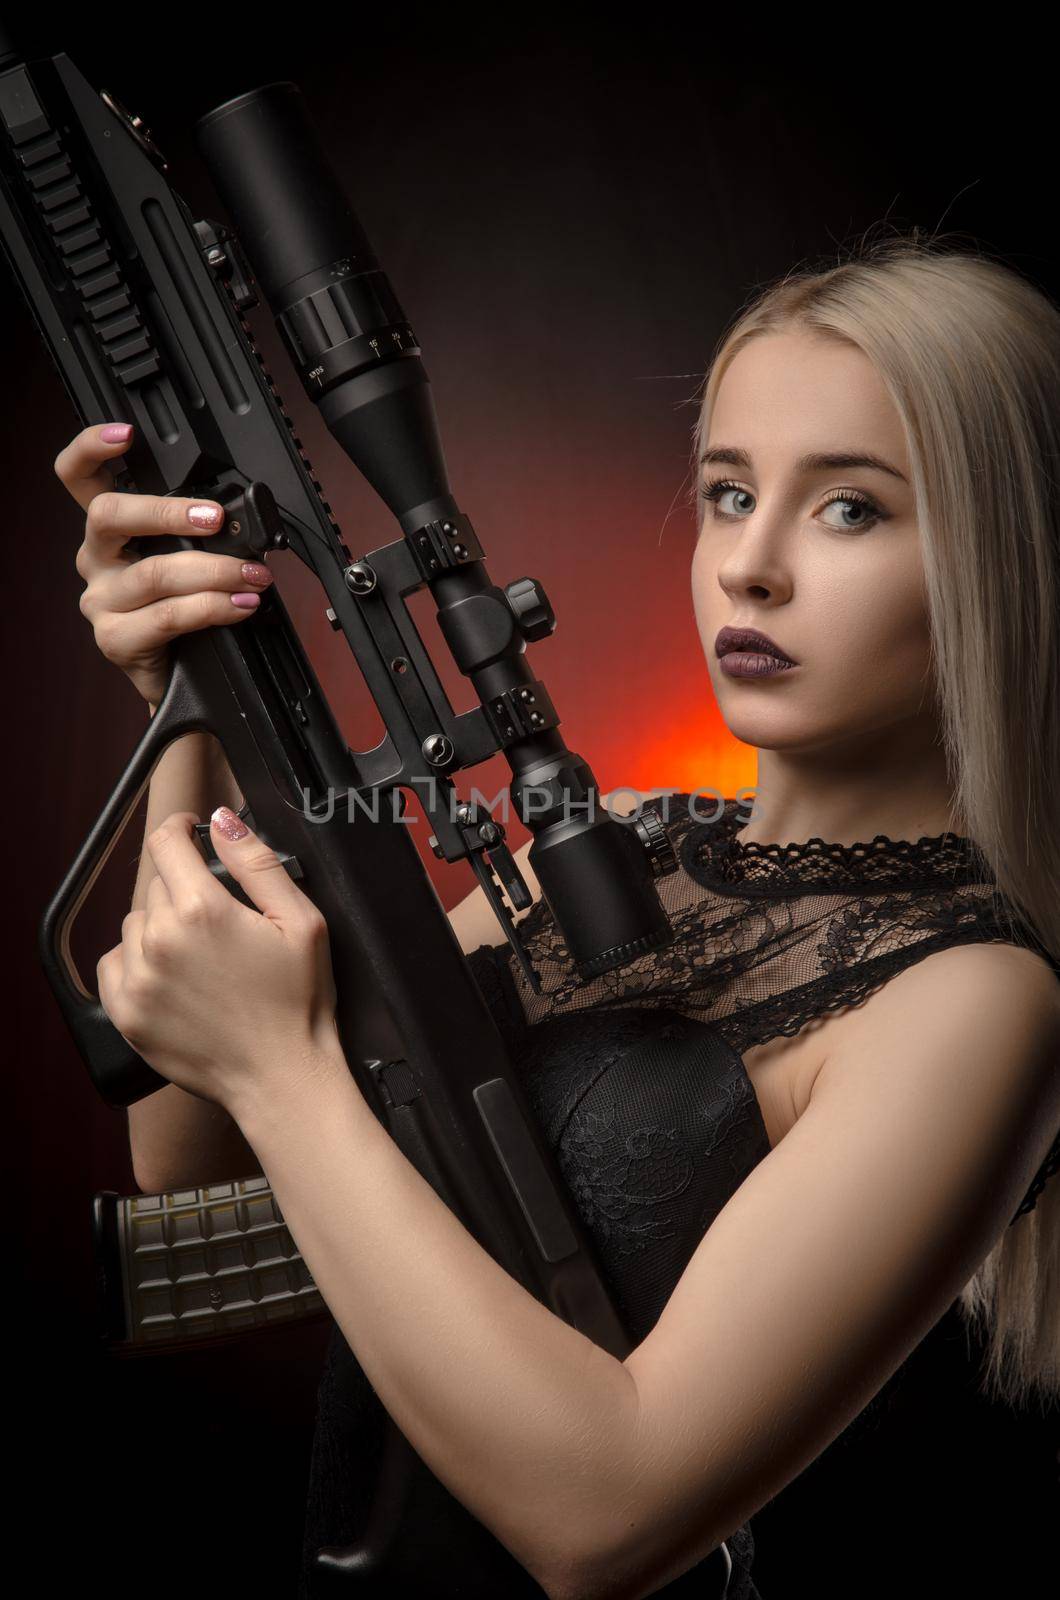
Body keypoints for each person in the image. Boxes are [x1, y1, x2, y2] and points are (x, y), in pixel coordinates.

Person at [55, 229, 1060, 1599]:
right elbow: (197, 1155)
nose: (749, 568)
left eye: (852, 510)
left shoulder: (979, 997)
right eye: (726, 490)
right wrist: (195, 692)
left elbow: (607, 1521)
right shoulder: (632, 841)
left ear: (1015, 553)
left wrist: (284, 1073)